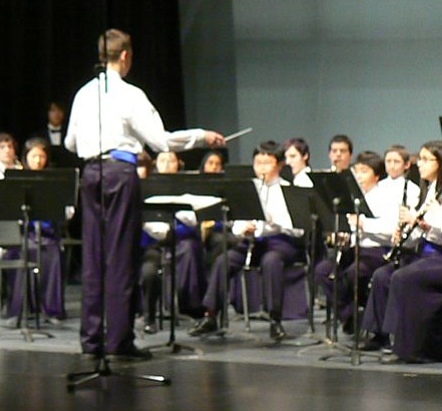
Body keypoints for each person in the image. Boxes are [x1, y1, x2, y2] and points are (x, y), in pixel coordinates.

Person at [64, 28, 225, 360]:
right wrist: (201, 136)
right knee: (121, 257)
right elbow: (161, 141)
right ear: (125, 56)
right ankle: (120, 342)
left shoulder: (83, 93)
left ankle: (91, 340)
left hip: (90, 173)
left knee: (94, 256)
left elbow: (69, 143)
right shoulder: (130, 94)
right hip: (120, 174)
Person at [189, 140, 305, 339]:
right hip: (253, 242)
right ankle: (211, 315)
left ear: (279, 165)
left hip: (280, 241)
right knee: (223, 260)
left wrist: (274, 221)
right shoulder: (250, 189)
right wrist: (242, 227)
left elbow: (299, 230)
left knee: (271, 262)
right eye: (257, 163)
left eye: (266, 163)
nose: (261, 168)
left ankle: (275, 319)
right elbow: (235, 220)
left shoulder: (289, 190)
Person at [361, 140, 442, 352]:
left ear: (440, 163)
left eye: (425, 160)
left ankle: (400, 340)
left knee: (401, 276)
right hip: (426, 252)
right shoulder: (430, 191)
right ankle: (379, 335)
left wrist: (427, 221)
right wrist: (408, 232)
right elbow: (425, 231)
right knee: (382, 274)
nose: (419, 164)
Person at [314, 151, 398, 334]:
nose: (358, 176)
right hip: (353, 250)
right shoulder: (352, 198)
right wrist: (344, 237)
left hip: (376, 251)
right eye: (356, 171)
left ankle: (365, 318)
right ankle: (350, 316)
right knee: (323, 270)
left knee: (352, 274)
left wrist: (364, 223)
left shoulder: (386, 196)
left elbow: (391, 229)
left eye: (364, 171)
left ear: (376, 175)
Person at [140, 151, 208, 334]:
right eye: (163, 160)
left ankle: (190, 307)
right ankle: (150, 318)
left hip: (180, 241)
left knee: (190, 250)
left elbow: (194, 220)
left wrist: (177, 207)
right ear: (155, 164)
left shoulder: (187, 188)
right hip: (154, 244)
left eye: (171, 160)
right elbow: (144, 222)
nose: (167, 164)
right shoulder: (146, 188)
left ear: (179, 163)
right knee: (149, 272)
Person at [5, 137, 66, 325]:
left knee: (53, 254)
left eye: (41, 156)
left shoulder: (54, 179)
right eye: (34, 156)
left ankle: (51, 310)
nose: (38, 161)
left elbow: (65, 211)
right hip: (24, 234)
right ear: (26, 157)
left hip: (47, 233)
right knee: (22, 252)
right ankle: (18, 310)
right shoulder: (18, 177)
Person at [378, 144, 420, 210]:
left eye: (396, 162)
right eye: (388, 161)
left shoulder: (412, 189)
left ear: (406, 165)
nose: (392, 166)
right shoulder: (378, 186)